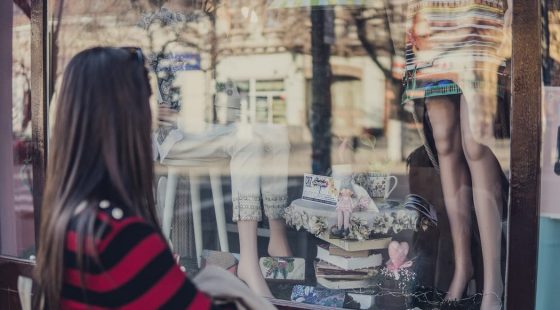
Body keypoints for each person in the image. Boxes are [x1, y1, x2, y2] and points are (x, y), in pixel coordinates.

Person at [33, 47, 258, 309]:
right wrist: (226, 286)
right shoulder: (122, 238)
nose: (154, 118)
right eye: (148, 102)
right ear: (129, 122)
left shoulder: (68, 220)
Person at [404, 1, 510, 309]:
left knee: (476, 141)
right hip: (431, 13)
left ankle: (494, 280)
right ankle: (463, 267)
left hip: (478, 9)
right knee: (444, 140)